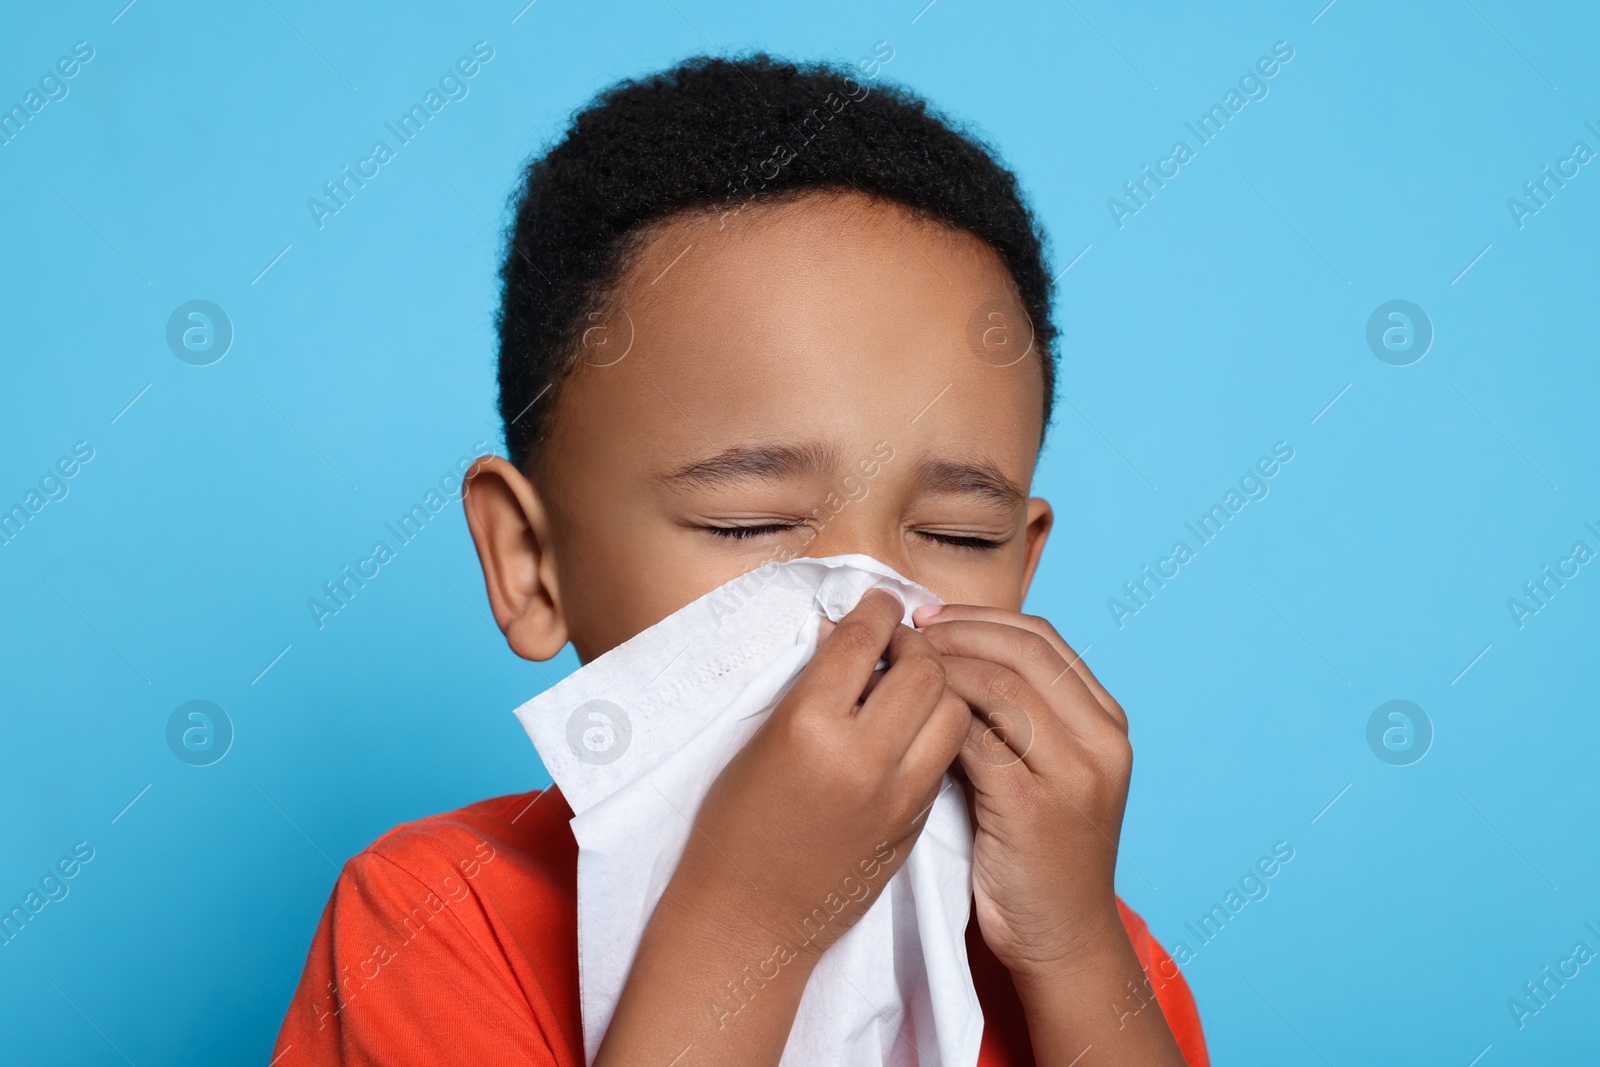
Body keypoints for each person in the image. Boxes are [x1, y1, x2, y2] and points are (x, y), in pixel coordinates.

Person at [273, 51, 1209, 1066]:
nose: (865, 615)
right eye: (747, 525)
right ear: (529, 560)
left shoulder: (1102, 971)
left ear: (1021, 574)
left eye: (954, 538)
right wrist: (747, 920)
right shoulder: (433, 917)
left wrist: (1071, 948)